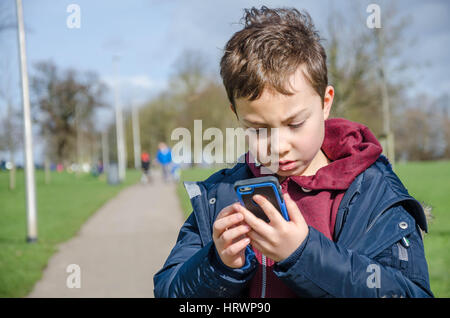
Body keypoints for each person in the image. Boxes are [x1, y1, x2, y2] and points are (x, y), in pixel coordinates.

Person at [154, 7, 433, 298]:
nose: (278, 146)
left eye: (295, 123)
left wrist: (304, 255)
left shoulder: (373, 193)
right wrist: (219, 266)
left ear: (325, 103)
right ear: (235, 114)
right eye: (258, 129)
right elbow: (169, 292)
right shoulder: (218, 195)